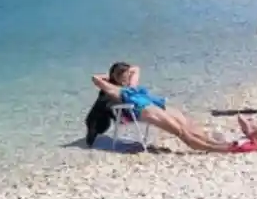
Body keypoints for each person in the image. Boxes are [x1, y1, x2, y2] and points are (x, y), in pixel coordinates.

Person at [90, 63, 240, 152]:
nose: (128, 77)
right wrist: (111, 77)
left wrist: (123, 75)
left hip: (153, 104)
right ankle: (218, 148)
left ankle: (215, 143)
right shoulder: (114, 90)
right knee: (181, 131)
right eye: (124, 76)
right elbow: (95, 78)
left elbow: (136, 68)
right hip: (144, 110)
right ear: (117, 78)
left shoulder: (132, 85)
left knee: (186, 124)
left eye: (127, 75)